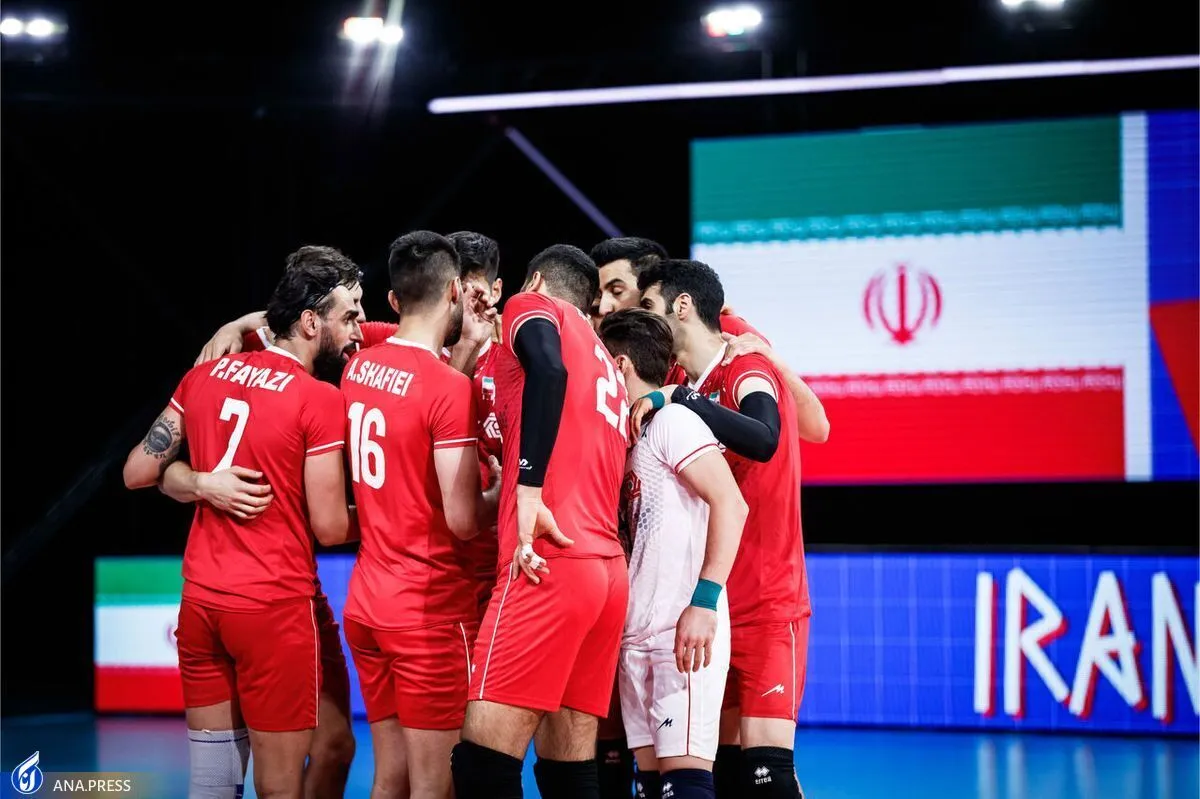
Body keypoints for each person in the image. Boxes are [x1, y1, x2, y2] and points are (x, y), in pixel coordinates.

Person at [122, 247, 363, 799]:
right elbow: (330, 528)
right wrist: (400, 511)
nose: (356, 329)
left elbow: (138, 470)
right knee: (278, 788)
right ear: (310, 323)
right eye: (350, 316)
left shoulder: (205, 374)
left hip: (202, 605)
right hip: (273, 611)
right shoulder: (318, 399)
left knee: (214, 783)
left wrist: (199, 482)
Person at [451, 245, 629, 799]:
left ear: (534, 281)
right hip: (604, 572)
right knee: (568, 768)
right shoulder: (604, 358)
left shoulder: (533, 306)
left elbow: (547, 368)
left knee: (482, 763)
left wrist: (527, 488)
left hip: (545, 558)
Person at [633, 259, 809, 799]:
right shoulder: (681, 383)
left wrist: (681, 400)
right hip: (710, 607)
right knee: (726, 775)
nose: (646, 318)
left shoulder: (743, 367)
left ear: (682, 305)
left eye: (649, 305)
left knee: (767, 775)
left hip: (767, 600)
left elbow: (764, 438)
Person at [340, 230, 500, 799]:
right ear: (456, 290)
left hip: (367, 604)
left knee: (390, 778)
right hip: (427, 615)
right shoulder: (448, 388)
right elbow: (463, 520)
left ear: (391, 300)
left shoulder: (358, 367)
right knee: (436, 787)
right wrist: (505, 492)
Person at [599, 309, 748, 799]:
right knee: (649, 787)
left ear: (619, 365)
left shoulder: (675, 421)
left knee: (684, 785)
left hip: (680, 635)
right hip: (636, 636)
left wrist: (704, 601)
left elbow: (731, 503)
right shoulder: (630, 436)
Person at [589, 238, 828, 445]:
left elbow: (815, 429)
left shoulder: (726, 330)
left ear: (650, 288)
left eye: (617, 291)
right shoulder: (630, 350)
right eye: (599, 295)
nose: (604, 306)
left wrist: (773, 361)